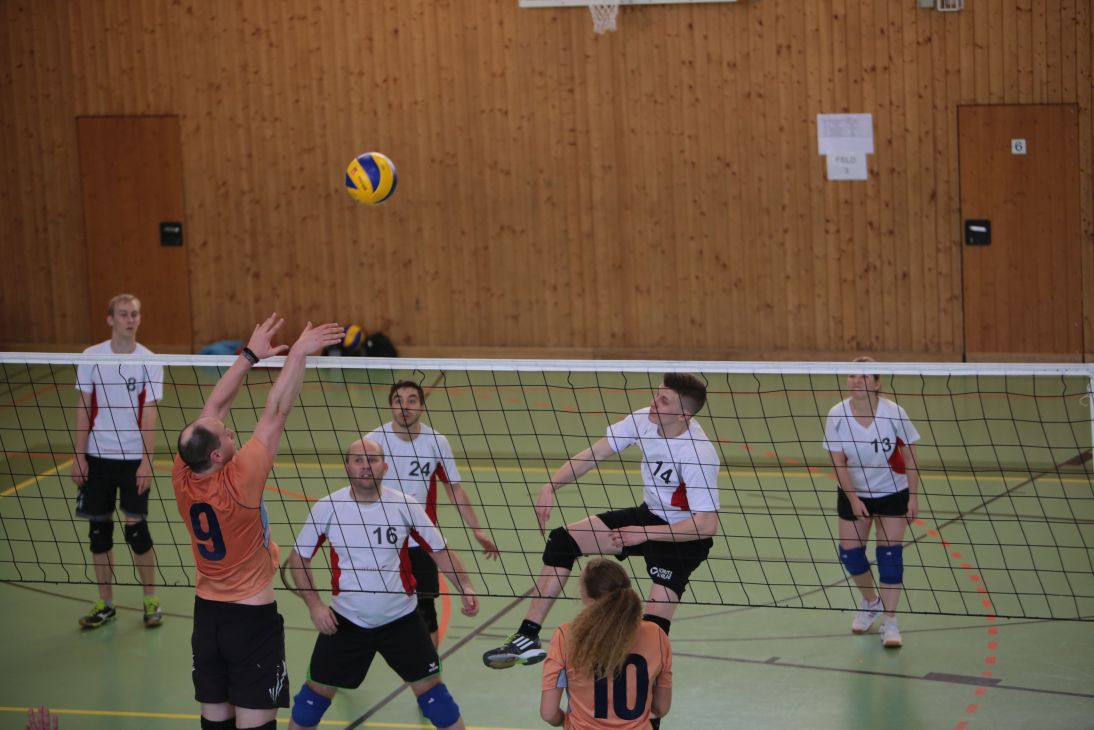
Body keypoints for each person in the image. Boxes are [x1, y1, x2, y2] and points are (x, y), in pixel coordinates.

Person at [173, 314, 343, 730]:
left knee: (215, 723)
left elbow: (213, 408)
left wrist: (249, 355)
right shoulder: (240, 481)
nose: (232, 432)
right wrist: (298, 353)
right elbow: (277, 412)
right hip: (250, 621)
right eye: (227, 435)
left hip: (206, 618)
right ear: (217, 455)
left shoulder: (183, 472)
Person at [483, 373, 720, 671]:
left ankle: (643, 698)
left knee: (651, 636)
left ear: (683, 415)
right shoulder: (645, 419)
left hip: (682, 539)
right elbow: (595, 453)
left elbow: (706, 526)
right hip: (649, 515)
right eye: (656, 395)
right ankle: (528, 636)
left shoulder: (698, 454)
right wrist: (551, 486)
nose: (653, 403)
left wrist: (644, 534)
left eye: (664, 400)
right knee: (563, 541)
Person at [283, 437, 479, 730]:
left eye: (372, 460)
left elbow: (440, 550)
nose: (365, 466)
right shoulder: (328, 508)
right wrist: (315, 605)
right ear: (347, 467)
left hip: (401, 620)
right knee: (310, 705)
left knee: (437, 701)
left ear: (385, 467)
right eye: (358, 460)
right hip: (345, 621)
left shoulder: (405, 506)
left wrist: (465, 585)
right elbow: (299, 558)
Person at [365, 379, 498, 646]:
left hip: (420, 538)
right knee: (371, 611)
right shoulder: (372, 442)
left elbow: (454, 489)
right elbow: (359, 490)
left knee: (425, 612)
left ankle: (430, 666)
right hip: (379, 539)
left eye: (412, 400)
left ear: (422, 407)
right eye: (398, 400)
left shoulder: (436, 442)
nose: (405, 406)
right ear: (391, 406)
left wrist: (477, 530)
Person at [71, 293, 165, 629]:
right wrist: (79, 456)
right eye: (123, 314)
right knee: (99, 533)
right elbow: (84, 407)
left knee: (137, 531)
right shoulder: (91, 357)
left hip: (132, 459)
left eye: (134, 314)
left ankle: (150, 600)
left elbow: (150, 413)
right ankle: (106, 604)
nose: (130, 319)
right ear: (110, 319)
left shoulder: (149, 360)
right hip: (97, 457)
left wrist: (147, 462)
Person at [823, 356, 921, 648]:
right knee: (850, 556)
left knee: (890, 559)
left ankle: (890, 621)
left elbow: (911, 456)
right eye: (852, 375)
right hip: (854, 491)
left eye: (864, 376)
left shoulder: (894, 413)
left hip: (893, 492)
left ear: (877, 383)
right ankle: (871, 602)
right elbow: (837, 462)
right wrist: (853, 499)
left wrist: (913, 496)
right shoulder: (837, 414)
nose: (856, 381)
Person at [541, 558, 672, 730]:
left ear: (585, 594)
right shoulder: (656, 635)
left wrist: (565, 721)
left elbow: (549, 713)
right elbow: (661, 708)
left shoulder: (566, 635)